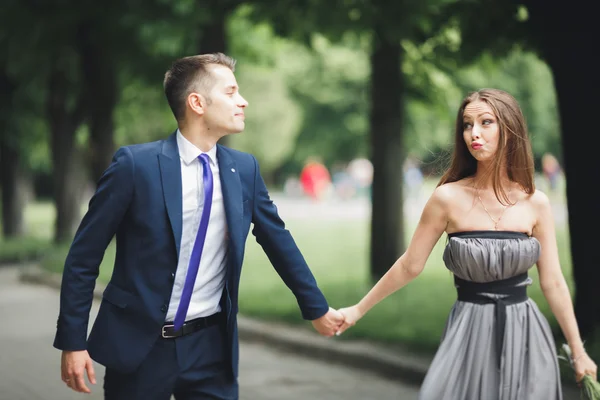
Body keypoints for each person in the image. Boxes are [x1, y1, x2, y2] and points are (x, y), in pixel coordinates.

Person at [53, 52, 343, 399]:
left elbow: (278, 241)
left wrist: (317, 309)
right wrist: (72, 341)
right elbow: (84, 257)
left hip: (211, 349)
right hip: (141, 348)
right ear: (197, 103)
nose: (243, 101)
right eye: (231, 92)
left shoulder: (244, 170)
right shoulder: (135, 166)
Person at [335, 88, 597, 399]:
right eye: (467, 124)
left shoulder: (535, 203)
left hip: (525, 332)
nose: (474, 133)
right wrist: (357, 310)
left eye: (486, 122)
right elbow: (409, 265)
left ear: (510, 130)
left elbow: (553, 282)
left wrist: (578, 352)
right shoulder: (446, 198)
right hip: (467, 330)